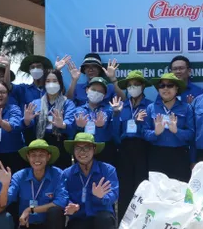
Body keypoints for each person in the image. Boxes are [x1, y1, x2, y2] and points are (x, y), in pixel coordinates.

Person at [3, 139, 68, 229]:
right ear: (28, 157)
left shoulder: (58, 174)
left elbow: (61, 202)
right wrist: (3, 185)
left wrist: (30, 210)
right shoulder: (19, 176)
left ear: (48, 157)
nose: (37, 159)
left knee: (55, 211)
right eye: (33, 155)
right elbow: (6, 200)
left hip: (49, 227)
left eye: (41, 155)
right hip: (28, 226)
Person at [59, 133, 119, 229]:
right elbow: (62, 195)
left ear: (94, 150)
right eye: (78, 148)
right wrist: (70, 205)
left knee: (104, 219)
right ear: (73, 151)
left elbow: (114, 195)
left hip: (101, 217)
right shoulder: (67, 174)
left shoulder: (108, 170)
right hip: (80, 218)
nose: (82, 152)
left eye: (87, 148)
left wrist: (101, 198)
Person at [111, 70, 152, 216]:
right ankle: (122, 228)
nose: (132, 88)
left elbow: (151, 132)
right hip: (124, 150)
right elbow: (115, 133)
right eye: (129, 85)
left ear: (143, 86)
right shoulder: (121, 107)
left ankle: (141, 227)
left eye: (136, 84)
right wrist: (115, 114)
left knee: (142, 189)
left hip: (143, 150)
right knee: (125, 190)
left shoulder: (150, 106)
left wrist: (139, 124)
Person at [145, 72, 194, 181]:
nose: (165, 89)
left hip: (179, 155)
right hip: (157, 154)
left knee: (179, 193)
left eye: (170, 85)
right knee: (157, 193)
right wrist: (155, 133)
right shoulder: (151, 108)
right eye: (162, 86)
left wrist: (177, 131)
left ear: (177, 88)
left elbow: (191, 134)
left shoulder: (186, 108)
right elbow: (145, 133)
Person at [24, 69, 75, 168]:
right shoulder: (35, 103)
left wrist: (62, 125)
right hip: (40, 145)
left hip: (60, 145)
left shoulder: (68, 103)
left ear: (60, 83)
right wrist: (27, 121)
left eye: (55, 81)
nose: (51, 84)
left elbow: (71, 124)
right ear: (44, 84)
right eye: (48, 81)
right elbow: (28, 126)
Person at [72, 77, 118, 166]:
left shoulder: (109, 109)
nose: (96, 93)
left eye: (100, 91)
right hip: (83, 150)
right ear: (86, 90)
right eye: (93, 89)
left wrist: (102, 127)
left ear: (104, 95)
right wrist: (79, 127)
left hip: (103, 150)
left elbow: (115, 131)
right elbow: (70, 132)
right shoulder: (78, 110)